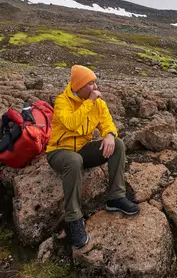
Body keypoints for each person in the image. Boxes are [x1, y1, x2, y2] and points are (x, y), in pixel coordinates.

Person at [46, 65, 140, 249]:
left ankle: (115, 198)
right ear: (78, 86)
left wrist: (110, 135)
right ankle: (74, 218)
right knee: (74, 160)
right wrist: (89, 102)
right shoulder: (62, 101)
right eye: (90, 83)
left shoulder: (98, 103)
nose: (95, 86)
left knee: (119, 145)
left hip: (82, 149)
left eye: (95, 82)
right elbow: (72, 124)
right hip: (59, 152)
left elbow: (108, 123)